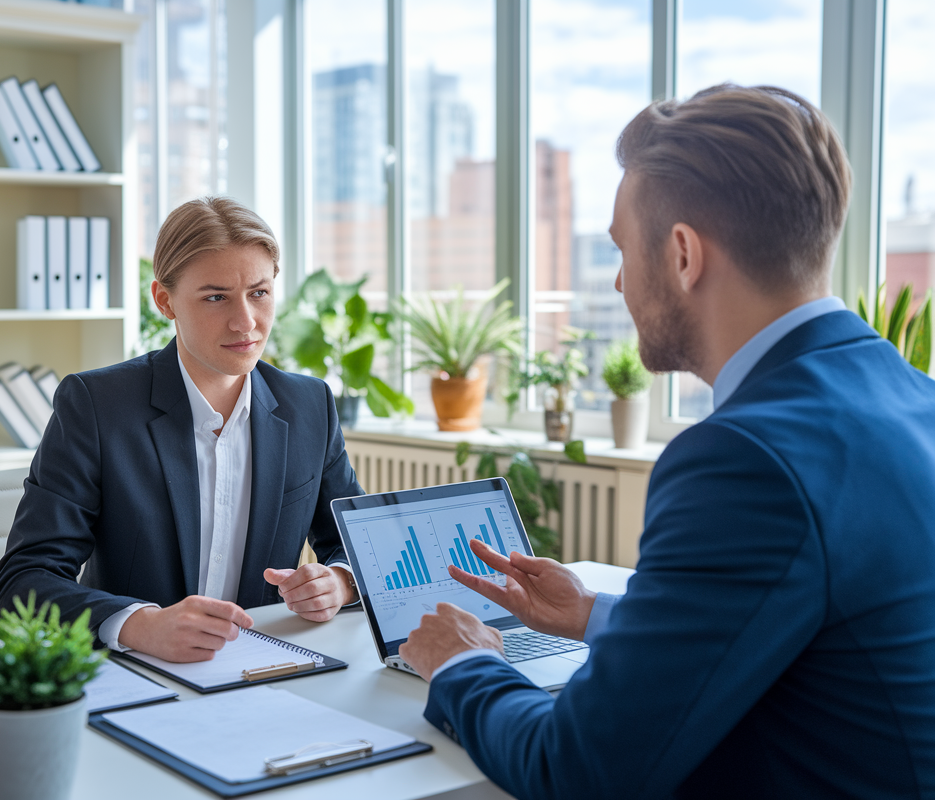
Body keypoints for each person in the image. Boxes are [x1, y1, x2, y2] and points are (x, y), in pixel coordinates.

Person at [400, 84, 935, 798]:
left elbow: (578, 770)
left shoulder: (745, 459)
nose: (619, 281)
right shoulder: (912, 397)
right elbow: (817, 630)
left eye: (623, 249)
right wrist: (596, 614)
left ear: (683, 254)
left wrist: (464, 664)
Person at [0, 196, 362, 663]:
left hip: (264, 665)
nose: (245, 321)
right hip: (135, 671)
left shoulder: (310, 405)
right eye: (215, 297)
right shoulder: (96, 405)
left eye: (259, 292)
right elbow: (23, 581)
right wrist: (139, 625)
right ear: (165, 301)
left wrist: (341, 582)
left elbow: (356, 544)